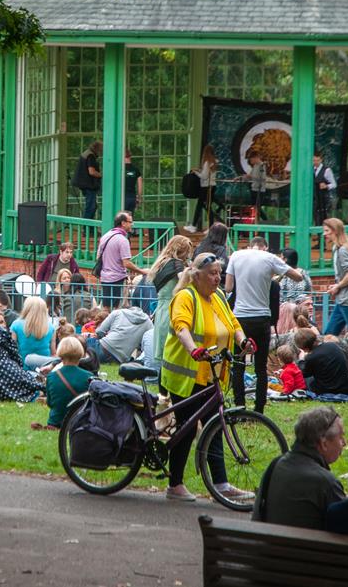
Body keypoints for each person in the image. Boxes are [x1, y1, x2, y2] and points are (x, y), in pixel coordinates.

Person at [161, 254, 253, 502]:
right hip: (186, 375)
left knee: (215, 427)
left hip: (212, 375)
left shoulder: (219, 297)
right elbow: (181, 327)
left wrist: (243, 341)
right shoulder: (185, 297)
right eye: (212, 273)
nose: (217, 278)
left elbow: (233, 324)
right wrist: (193, 349)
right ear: (197, 276)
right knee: (187, 429)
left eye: (219, 273)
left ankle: (221, 484)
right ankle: (175, 485)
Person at [225, 236, 304, 413]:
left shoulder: (236, 256)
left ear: (250, 246)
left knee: (239, 364)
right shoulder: (270, 259)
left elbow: (228, 287)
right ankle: (259, 410)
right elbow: (298, 277)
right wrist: (274, 276)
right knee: (260, 367)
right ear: (265, 248)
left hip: (240, 318)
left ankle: (239, 407)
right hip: (261, 318)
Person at [252, 406, 346, 529]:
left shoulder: (276, 465)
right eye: (341, 437)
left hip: (268, 545)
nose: (344, 442)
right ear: (324, 443)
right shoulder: (326, 483)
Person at [146, 236, 194, 379]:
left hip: (161, 310)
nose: (188, 256)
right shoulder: (176, 264)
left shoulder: (161, 264)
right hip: (173, 309)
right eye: (187, 252)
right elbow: (183, 279)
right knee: (175, 351)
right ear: (182, 251)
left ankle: (163, 393)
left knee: (165, 354)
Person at [322, 218, 348, 336]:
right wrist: (337, 286)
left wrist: (337, 286)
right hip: (342, 299)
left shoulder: (343, 250)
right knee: (328, 335)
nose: (324, 234)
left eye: (327, 230)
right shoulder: (337, 248)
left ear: (335, 231)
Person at [96, 212, 146, 308]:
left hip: (105, 278)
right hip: (117, 279)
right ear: (123, 223)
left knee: (105, 308)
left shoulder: (105, 236)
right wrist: (142, 271)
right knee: (117, 309)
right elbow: (126, 263)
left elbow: (98, 257)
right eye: (130, 222)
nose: (132, 224)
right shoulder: (123, 240)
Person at [44, 337, 93, 428]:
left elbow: (50, 403)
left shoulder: (51, 377)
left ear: (61, 355)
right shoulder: (89, 377)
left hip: (56, 423)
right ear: (80, 354)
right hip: (79, 422)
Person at [292, 329, 348, 396]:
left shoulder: (311, 357)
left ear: (303, 348)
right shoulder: (332, 345)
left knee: (306, 379)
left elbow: (303, 374)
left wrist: (301, 359)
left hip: (328, 391)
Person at [11, 296, 57, 368]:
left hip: (22, 367)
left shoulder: (16, 325)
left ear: (26, 308)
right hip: (44, 367)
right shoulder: (51, 327)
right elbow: (53, 353)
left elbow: (12, 349)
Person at [72, 141, 103, 220]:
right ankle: (87, 228)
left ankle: (88, 228)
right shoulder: (90, 156)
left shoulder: (86, 154)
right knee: (91, 207)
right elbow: (92, 172)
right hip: (88, 185)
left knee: (92, 206)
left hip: (83, 183)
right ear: (98, 149)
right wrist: (102, 175)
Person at [191, 144, 218, 230]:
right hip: (212, 185)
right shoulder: (214, 162)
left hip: (206, 187)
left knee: (204, 206)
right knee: (206, 207)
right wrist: (200, 170)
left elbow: (204, 176)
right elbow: (208, 173)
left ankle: (194, 226)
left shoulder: (207, 163)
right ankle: (207, 226)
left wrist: (196, 172)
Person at [311, 150, 336, 226]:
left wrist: (326, 186)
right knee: (315, 215)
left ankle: (322, 235)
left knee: (323, 216)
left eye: (317, 160)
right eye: (314, 160)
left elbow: (334, 184)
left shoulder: (327, 170)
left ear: (321, 160)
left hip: (323, 197)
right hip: (314, 197)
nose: (315, 162)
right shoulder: (311, 169)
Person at [243, 151, 267, 221]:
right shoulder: (255, 166)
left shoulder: (262, 165)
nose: (251, 161)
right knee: (255, 207)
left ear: (256, 158)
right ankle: (256, 220)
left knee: (257, 208)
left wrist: (252, 177)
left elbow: (263, 178)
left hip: (260, 190)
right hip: (254, 188)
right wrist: (243, 177)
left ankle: (265, 220)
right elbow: (250, 175)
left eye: (251, 159)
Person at [123, 149, 143, 214]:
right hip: (132, 197)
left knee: (120, 218)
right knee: (129, 218)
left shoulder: (120, 170)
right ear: (130, 157)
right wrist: (139, 198)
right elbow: (140, 186)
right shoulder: (136, 170)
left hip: (122, 197)